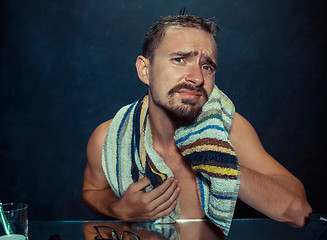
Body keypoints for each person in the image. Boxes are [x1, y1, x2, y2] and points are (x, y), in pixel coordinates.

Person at [82, 14, 312, 234]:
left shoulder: (228, 130)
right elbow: (93, 190)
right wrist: (118, 208)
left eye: (207, 66)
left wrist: (219, 163)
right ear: (145, 70)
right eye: (180, 59)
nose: (197, 78)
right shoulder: (109, 138)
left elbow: (298, 212)